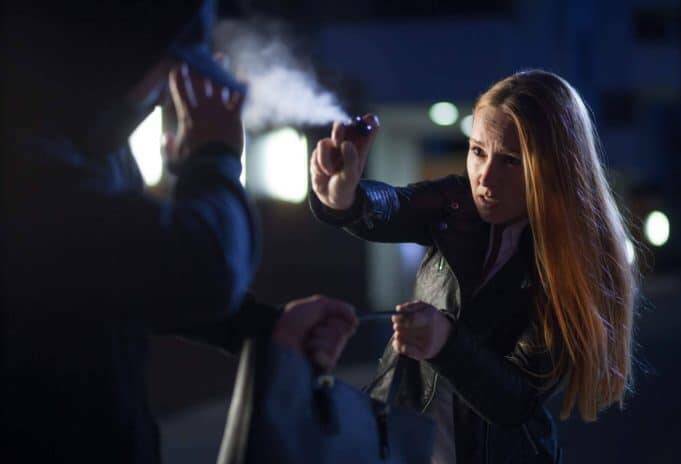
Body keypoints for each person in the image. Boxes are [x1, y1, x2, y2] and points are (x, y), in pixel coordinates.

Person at [1, 1, 356, 462]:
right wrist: (214, 158)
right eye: (167, 63)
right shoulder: (25, 160)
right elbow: (202, 271)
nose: (166, 89)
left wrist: (265, 327)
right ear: (117, 55)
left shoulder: (91, 152)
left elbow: (134, 271)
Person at [309, 70, 637, 463]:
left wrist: (445, 342)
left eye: (511, 160)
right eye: (478, 151)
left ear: (554, 167)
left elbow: (515, 400)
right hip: (400, 442)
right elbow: (395, 206)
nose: (485, 178)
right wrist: (345, 198)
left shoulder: (571, 262)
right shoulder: (457, 202)